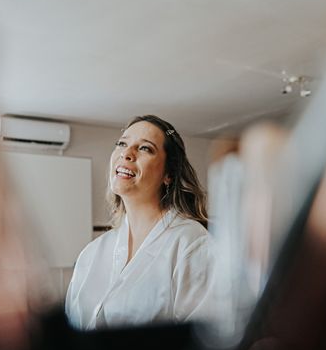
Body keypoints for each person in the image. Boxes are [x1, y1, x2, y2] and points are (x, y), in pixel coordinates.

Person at [65, 114, 214, 330]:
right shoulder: (92, 253)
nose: (127, 153)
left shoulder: (191, 245)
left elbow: (206, 345)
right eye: (122, 144)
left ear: (168, 174)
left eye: (145, 148)